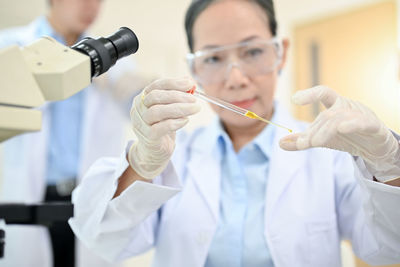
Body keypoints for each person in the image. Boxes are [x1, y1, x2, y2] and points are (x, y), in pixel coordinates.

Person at [69, 0, 400, 266]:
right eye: (213, 58)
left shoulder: (330, 156)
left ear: (280, 52)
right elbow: (101, 237)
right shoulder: (170, 155)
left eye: (253, 51)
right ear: (194, 69)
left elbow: (390, 247)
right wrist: (142, 164)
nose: (236, 78)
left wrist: (389, 166)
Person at [0, 0, 143, 266]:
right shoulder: (9, 46)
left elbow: (135, 107)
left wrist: (147, 91)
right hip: (30, 195)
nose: (92, 6)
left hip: (86, 197)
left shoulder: (113, 63)